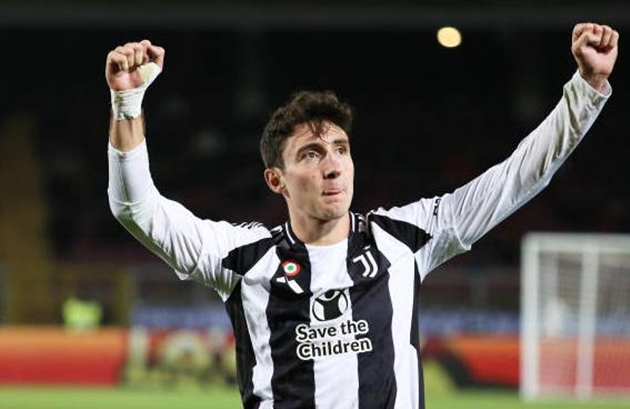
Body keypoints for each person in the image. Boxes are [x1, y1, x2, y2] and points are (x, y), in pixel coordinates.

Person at [106, 23, 618, 409]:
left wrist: (587, 87)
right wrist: (127, 103)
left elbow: (516, 178)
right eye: (311, 154)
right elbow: (136, 210)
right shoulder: (243, 258)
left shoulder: (406, 238)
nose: (332, 166)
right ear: (276, 180)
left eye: (341, 149)